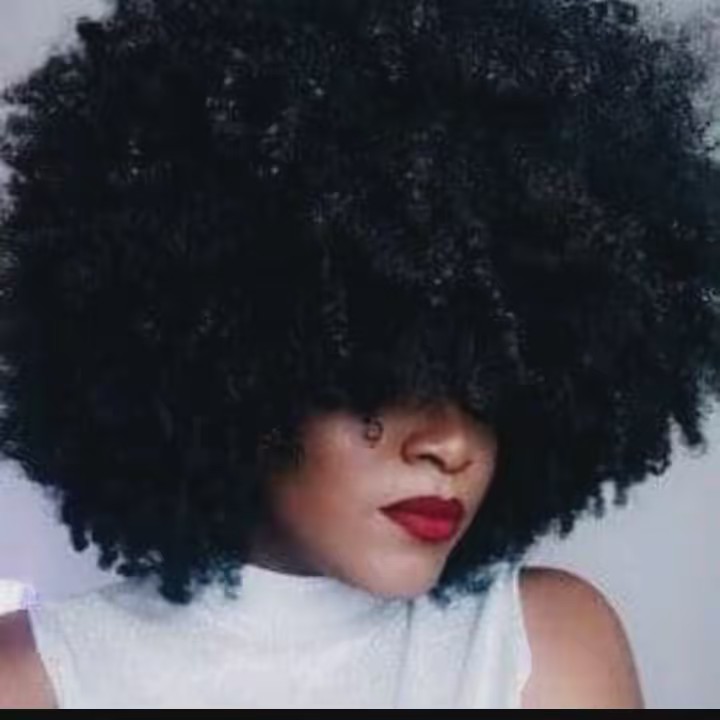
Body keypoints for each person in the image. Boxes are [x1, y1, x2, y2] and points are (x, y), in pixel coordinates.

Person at [0, 0, 717, 708]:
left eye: (487, 384)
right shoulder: (35, 680)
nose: (452, 444)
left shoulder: (540, 647)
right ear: (235, 369)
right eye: (382, 378)